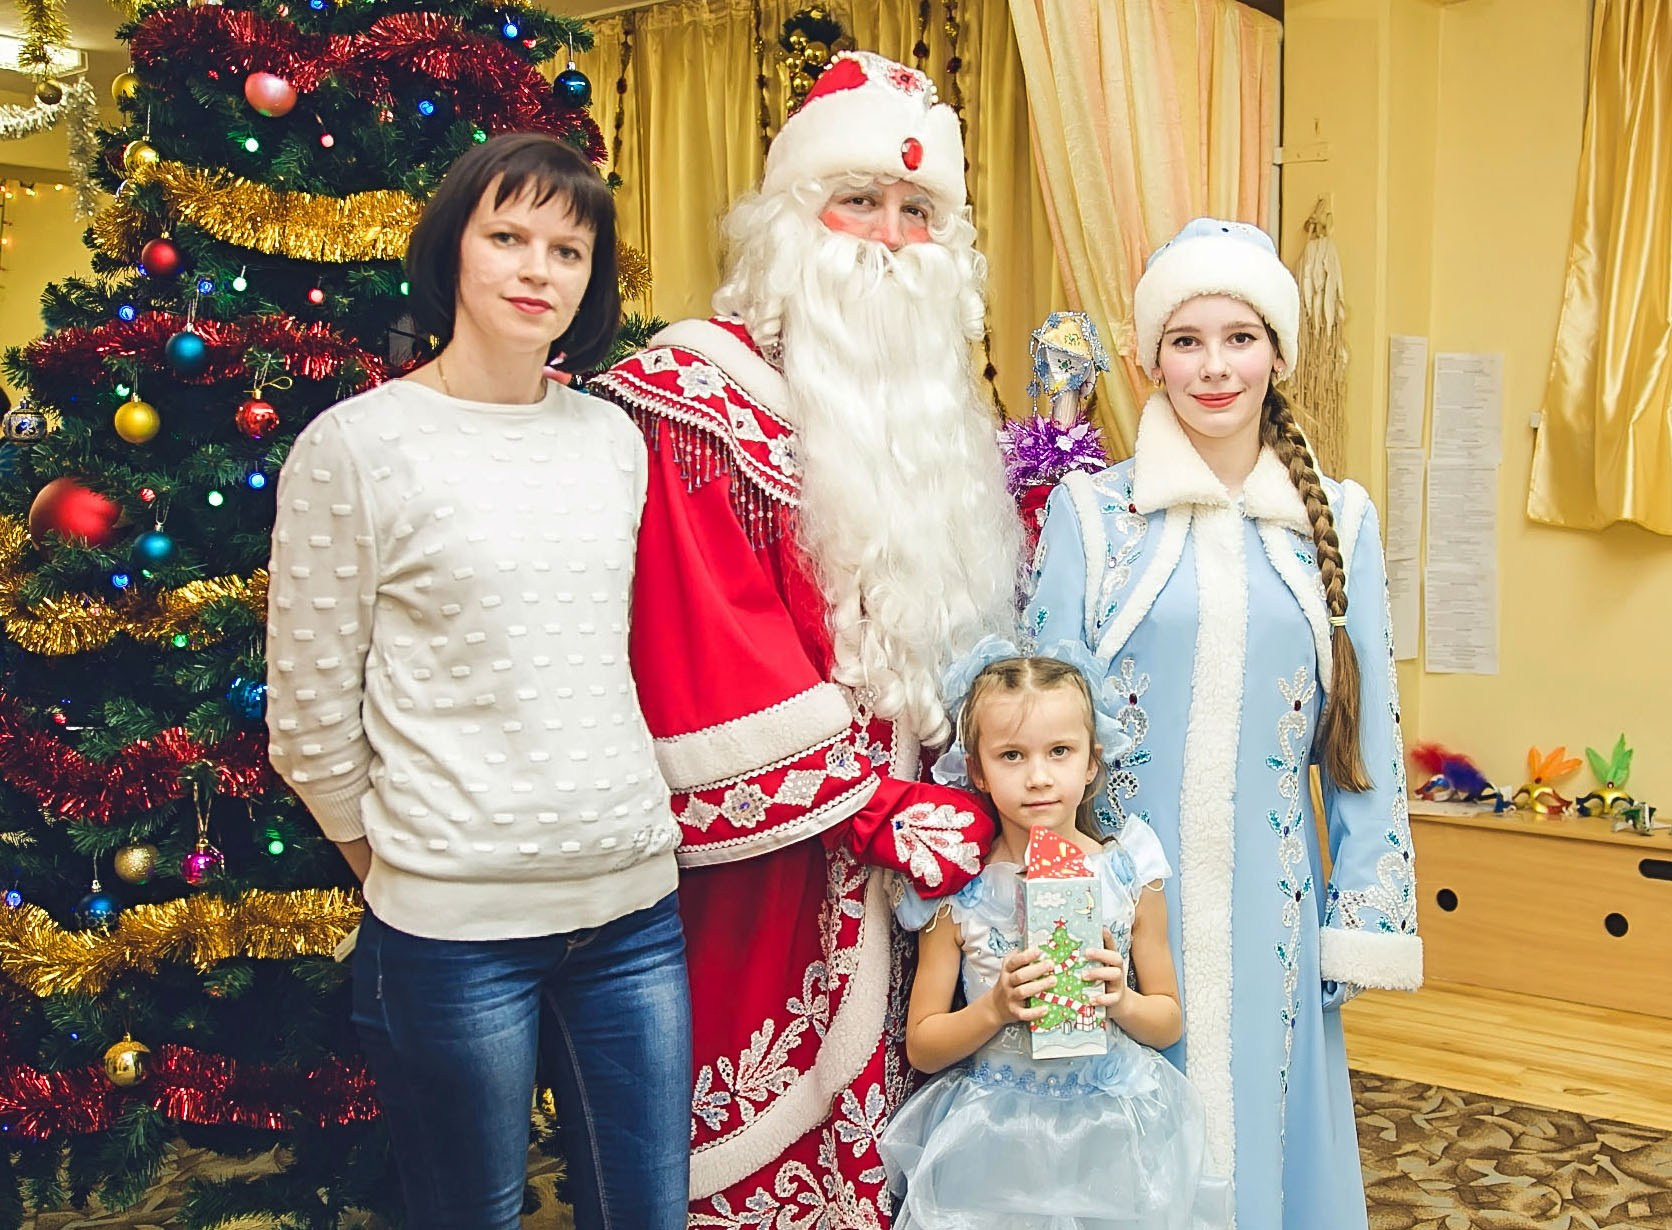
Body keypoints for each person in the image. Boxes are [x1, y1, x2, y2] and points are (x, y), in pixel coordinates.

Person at [588, 51, 1021, 1226]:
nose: (888, 237)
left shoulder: (930, 412)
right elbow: (700, 646)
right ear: (790, 219)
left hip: (921, 848)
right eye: (859, 200)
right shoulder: (691, 400)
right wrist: (874, 810)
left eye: (918, 212)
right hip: (768, 867)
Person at [264, 133, 690, 1230]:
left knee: (647, 1212)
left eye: (568, 250)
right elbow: (308, 718)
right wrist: (411, 872)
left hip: (632, 912)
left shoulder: (613, 442)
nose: (537, 269)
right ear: (453, 247)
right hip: (452, 940)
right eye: (507, 236)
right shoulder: (357, 447)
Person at [1025, 218, 1422, 1228]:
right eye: (1186, 341)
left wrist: (1362, 919)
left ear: (1276, 353)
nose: (1213, 367)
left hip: (1273, 908)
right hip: (1120, 910)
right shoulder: (1089, 516)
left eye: (1239, 338)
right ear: (1151, 359)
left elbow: (1367, 745)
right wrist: (1048, 902)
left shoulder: (1342, 520)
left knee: (1261, 1134)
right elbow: (1033, 729)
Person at [880, 646, 1231, 1228]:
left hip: (1113, 1133)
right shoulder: (957, 892)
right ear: (977, 770)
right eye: (1011, 755)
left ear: (1092, 762)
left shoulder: (1129, 875)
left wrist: (1122, 1001)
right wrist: (994, 1008)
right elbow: (922, 1044)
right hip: (996, 1137)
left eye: (1060, 751)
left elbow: (1169, 1021)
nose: (1039, 776)